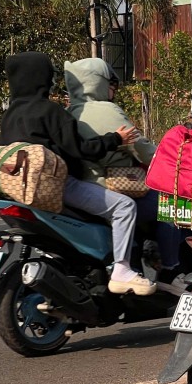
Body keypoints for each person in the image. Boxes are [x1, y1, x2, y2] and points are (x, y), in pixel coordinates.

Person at [0, 52, 155, 296]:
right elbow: (83, 150)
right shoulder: (50, 111)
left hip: (19, 189)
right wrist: (116, 139)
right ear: (41, 79)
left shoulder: (10, 116)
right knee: (124, 207)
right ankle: (122, 269)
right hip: (58, 185)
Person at [64, 58, 183, 284]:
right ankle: (171, 270)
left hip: (82, 189)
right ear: (95, 83)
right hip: (110, 186)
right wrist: (171, 158)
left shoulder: (69, 112)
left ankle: (136, 266)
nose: (113, 89)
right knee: (171, 208)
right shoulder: (107, 111)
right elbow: (144, 150)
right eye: (110, 83)